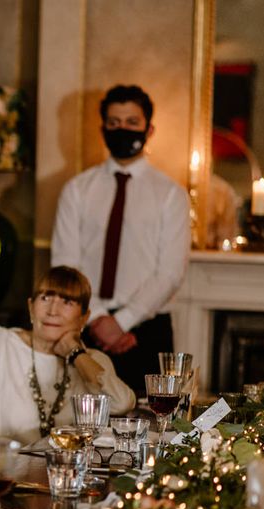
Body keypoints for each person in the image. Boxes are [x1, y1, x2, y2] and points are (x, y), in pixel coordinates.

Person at [51, 84, 190, 394]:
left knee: (150, 421)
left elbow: (169, 271)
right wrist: (99, 318)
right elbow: (65, 263)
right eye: (114, 123)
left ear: (149, 129)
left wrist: (123, 322)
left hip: (147, 328)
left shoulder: (171, 194)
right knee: (81, 417)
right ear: (103, 129)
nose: (122, 130)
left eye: (131, 122)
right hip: (84, 324)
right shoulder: (77, 189)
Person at [0, 266, 136, 445]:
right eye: (45, 298)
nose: (53, 311)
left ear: (84, 317)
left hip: (62, 476)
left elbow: (122, 403)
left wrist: (75, 353)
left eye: (67, 302)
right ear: (30, 307)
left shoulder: (92, 361)